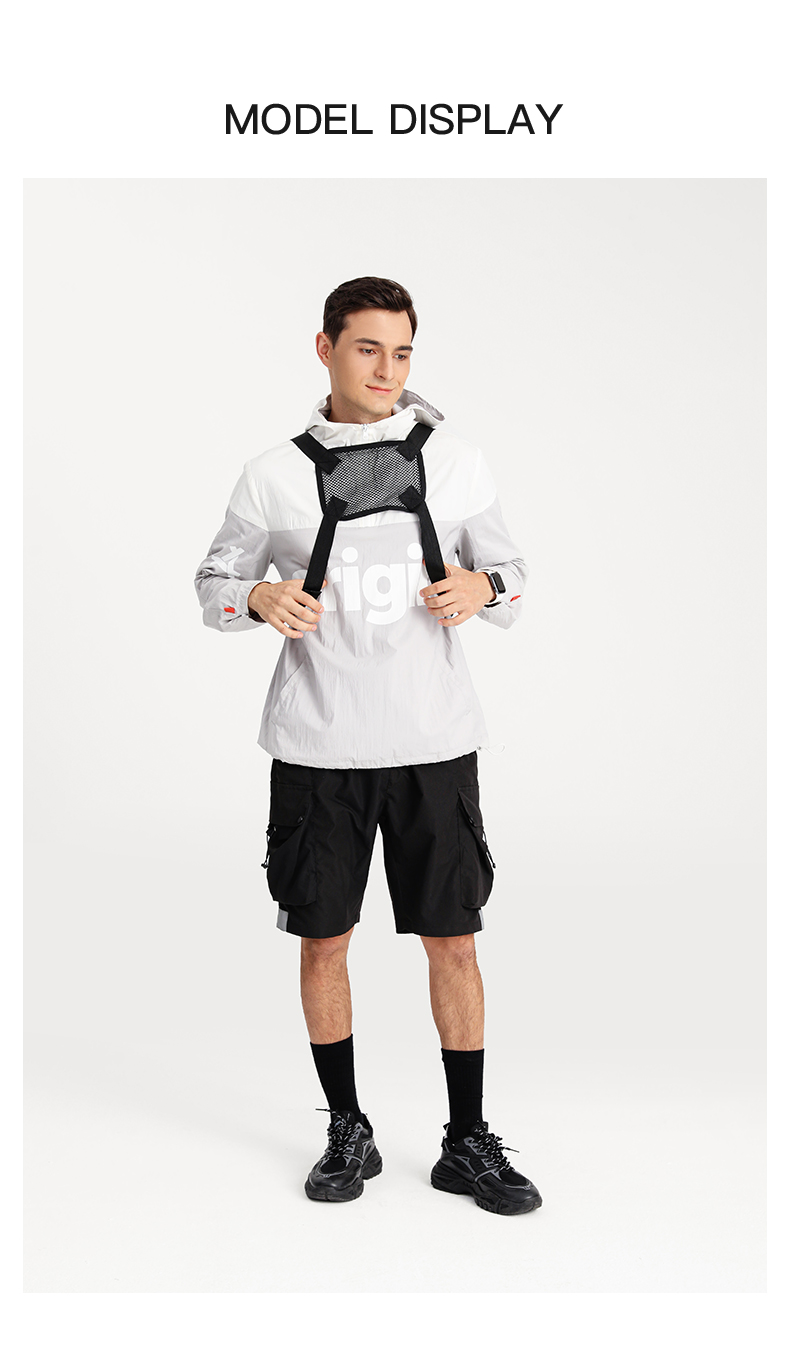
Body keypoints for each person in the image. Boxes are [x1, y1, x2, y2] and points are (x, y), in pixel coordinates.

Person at [194, 276, 541, 1216]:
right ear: (325, 349)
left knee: (454, 942)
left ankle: (466, 1140)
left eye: (403, 352)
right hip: (318, 747)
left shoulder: (456, 461)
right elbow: (213, 582)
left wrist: (483, 588)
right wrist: (256, 595)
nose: (387, 369)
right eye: (367, 349)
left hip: (434, 742)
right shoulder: (272, 474)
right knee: (323, 942)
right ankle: (348, 1127)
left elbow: (513, 573)